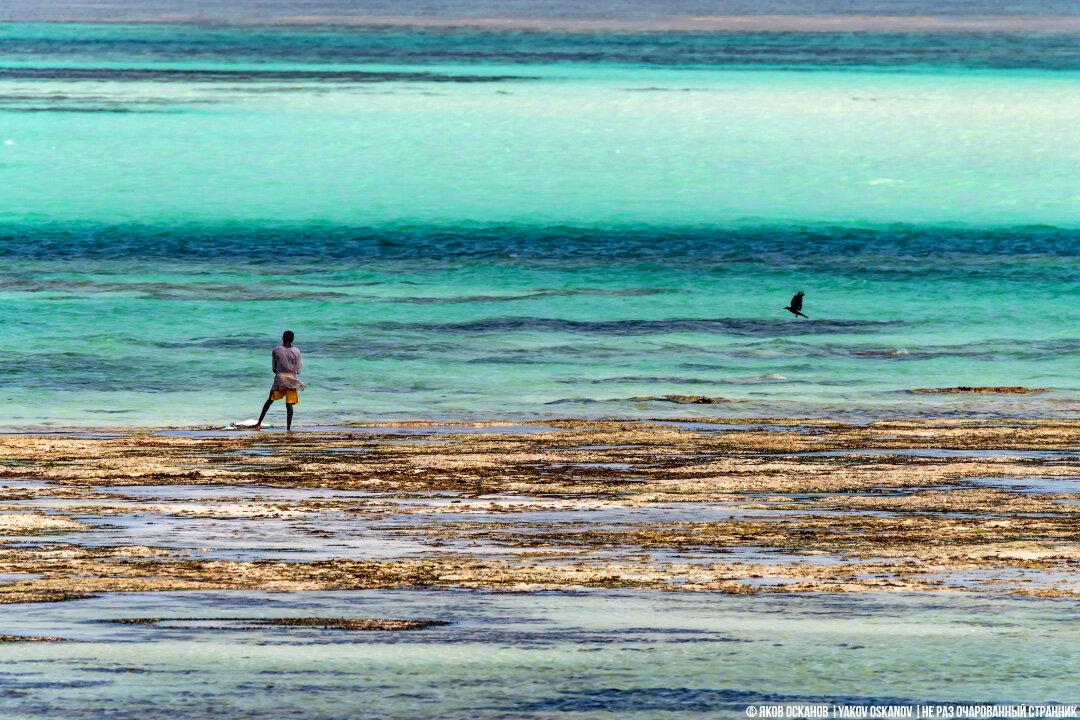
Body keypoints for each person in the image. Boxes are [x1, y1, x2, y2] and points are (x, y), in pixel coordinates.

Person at [254, 331, 304, 432]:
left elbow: (274, 369)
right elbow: (298, 370)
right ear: (293, 339)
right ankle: (288, 428)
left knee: (269, 401)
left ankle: (259, 422)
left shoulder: (276, 350)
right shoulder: (296, 351)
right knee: (289, 404)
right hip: (291, 379)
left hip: (279, 379)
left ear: (282, 338)